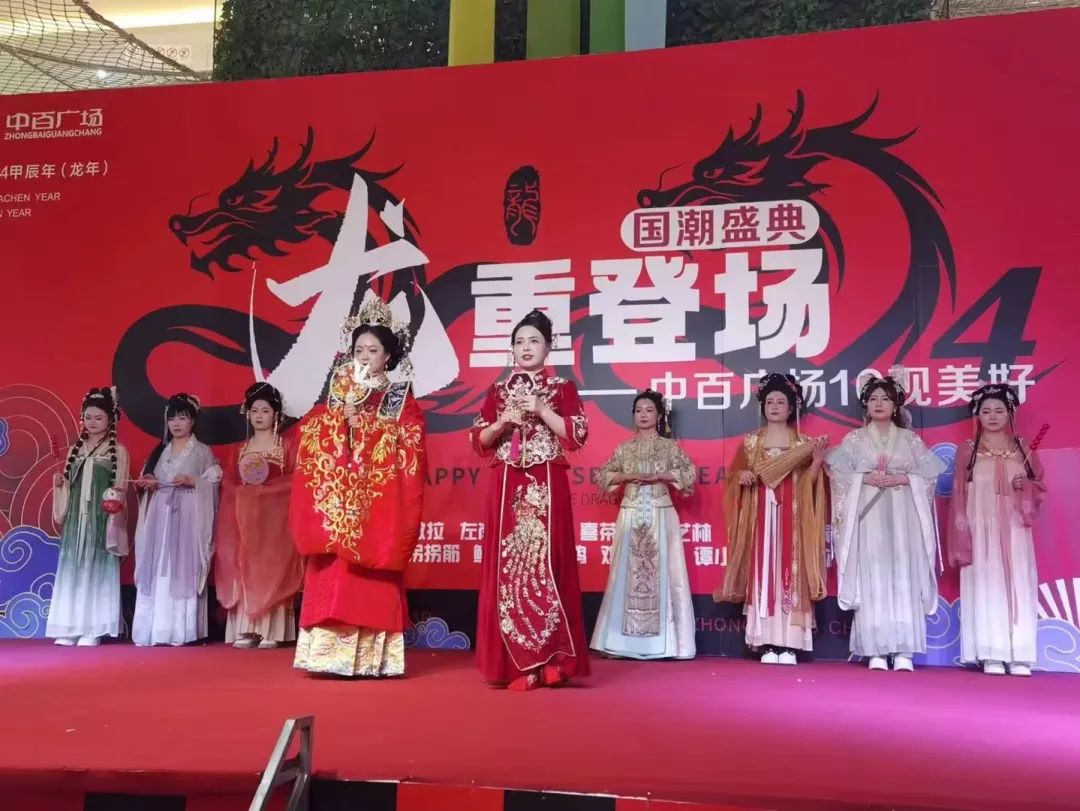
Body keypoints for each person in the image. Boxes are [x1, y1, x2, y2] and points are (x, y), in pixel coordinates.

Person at [290, 294, 425, 677]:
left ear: (388, 356)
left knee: (369, 577)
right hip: (337, 500)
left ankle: (371, 659)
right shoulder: (339, 388)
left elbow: (411, 442)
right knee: (332, 571)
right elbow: (312, 436)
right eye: (359, 349)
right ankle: (324, 655)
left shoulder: (398, 396)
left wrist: (365, 426)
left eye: (373, 350)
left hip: (375, 504)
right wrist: (337, 421)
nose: (364, 357)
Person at [470, 309, 590, 690]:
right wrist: (503, 421)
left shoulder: (562, 388)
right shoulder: (498, 392)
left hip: (546, 483)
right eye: (519, 342)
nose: (526, 347)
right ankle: (517, 665)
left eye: (534, 341)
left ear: (548, 348)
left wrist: (541, 409)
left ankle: (553, 660)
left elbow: (576, 434)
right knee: (508, 568)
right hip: (507, 484)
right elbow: (479, 440)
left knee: (547, 563)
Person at [826, 375, 945, 671]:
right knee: (873, 571)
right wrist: (863, 478)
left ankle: (904, 649)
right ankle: (875, 648)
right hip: (868, 514)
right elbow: (838, 475)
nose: (878, 404)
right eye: (873, 399)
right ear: (865, 405)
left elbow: (929, 475)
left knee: (903, 571)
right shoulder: (854, 439)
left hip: (904, 512)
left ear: (895, 406)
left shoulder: (910, 440)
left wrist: (903, 478)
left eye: (885, 399)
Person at [715, 374, 828, 665]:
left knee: (791, 572)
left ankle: (790, 643)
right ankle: (766, 642)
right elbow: (733, 479)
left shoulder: (803, 443)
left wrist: (816, 462)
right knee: (763, 571)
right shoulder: (751, 443)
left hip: (793, 518)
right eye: (769, 402)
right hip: (760, 517)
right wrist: (742, 476)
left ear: (792, 408)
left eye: (781, 401)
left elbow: (810, 485)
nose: (775, 406)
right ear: (762, 407)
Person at [591, 390, 696, 660]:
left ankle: (670, 644)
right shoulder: (625, 448)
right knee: (624, 575)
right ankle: (620, 642)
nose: (643, 415)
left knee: (667, 574)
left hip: (661, 514)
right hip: (630, 514)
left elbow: (689, 473)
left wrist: (662, 475)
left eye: (649, 410)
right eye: (638, 410)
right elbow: (603, 475)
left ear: (659, 415)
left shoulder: (670, 448)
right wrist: (627, 475)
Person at [949, 384, 1045, 677]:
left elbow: (1039, 487)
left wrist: (1025, 486)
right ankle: (990, 651)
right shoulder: (968, 450)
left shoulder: (1023, 448)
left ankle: (1019, 654)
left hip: (1015, 527)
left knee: (1018, 582)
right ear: (977, 415)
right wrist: (962, 529)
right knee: (985, 582)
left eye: (999, 411)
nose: (992, 416)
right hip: (980, 528)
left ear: (1010, 413)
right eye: (986, 410)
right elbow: (958, 493)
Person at [215, 382, 303, 649]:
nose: (259, 416)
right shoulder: (240, 450)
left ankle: (271, 630)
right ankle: (247, 629)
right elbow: (230, 483)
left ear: (276, 414)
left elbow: (298, 480)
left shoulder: (287, 447)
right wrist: (242, 492)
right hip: (245, 523)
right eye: (254, 411)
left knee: (272, 569)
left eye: (265, 411)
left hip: (276, 525)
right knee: (245, 568)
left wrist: (268, 491)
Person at [132, 393, 221, 647]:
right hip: (160, 515)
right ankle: (156, 629)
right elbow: (148, 478)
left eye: (182, 418)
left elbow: (213, 484)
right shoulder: (159, 451)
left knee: (183, 566)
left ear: (193, 421)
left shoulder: (202, 451)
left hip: (189, 515)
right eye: (172, 419)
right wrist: (148, 482)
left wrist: (192, 481)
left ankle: (182, 630)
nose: (176, 424)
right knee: (159, 564)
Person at [48, 386, 129, 646]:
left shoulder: (118, 451)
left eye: (99, 417)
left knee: (96, 568)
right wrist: (60, 483)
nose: (92, 422)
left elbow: (120, 487)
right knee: (73, 568)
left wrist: (113, 507)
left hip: (100, 518)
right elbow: (68, 483)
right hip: (77, 520)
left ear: (111, 419)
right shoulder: (75, 449)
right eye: (88, 417)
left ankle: (93, 628)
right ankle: (70, 626)